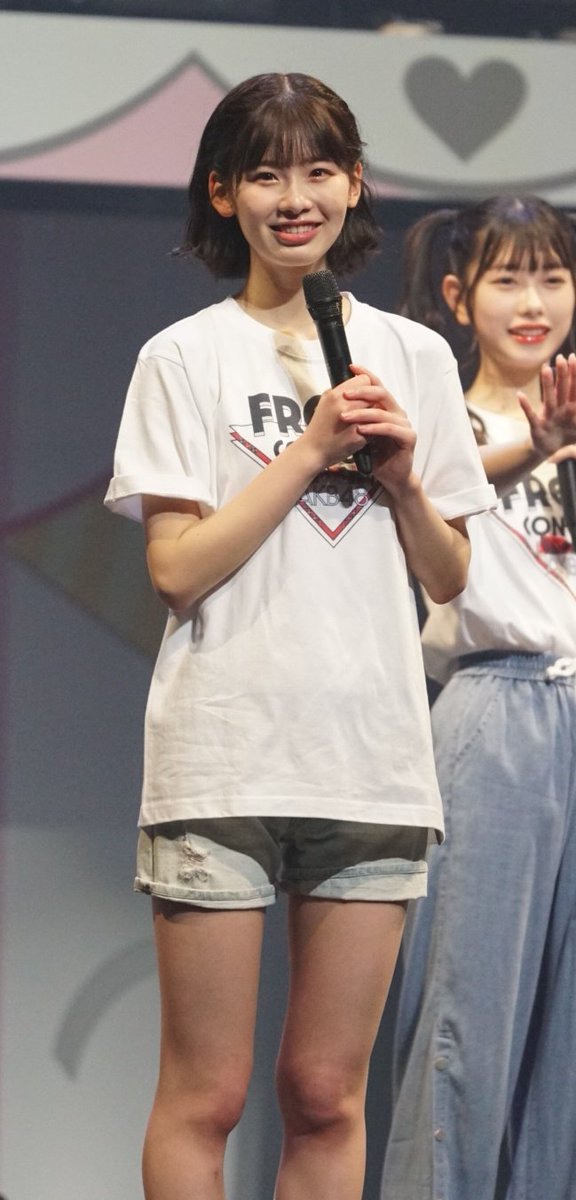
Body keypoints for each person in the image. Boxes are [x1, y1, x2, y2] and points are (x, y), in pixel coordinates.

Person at [104, 73, 494, 1200]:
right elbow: (177, 570)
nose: (296, 197)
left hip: (369, 758)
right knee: (209, 1094)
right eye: (267, 174)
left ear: (355, 184)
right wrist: (310, 448)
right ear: (222, 193)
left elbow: (448, 576)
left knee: (326, 1094)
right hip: (223, 755)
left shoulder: (415, 357)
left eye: (320, 170)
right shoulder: (184, 357)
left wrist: (405, 482)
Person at [381, 194, 576, 1200]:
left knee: (565, 1050)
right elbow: (434, 498)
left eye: (553, 278)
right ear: (460, 297)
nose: (532, 303)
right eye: (508, 280)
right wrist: (536, 447)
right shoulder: (442, 420)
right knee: (467, 1020)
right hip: (497, 704)